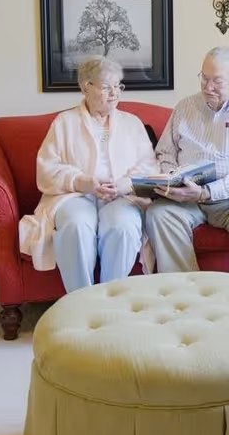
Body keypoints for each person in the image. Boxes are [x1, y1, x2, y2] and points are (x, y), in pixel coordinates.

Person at [19, 55, 157, 292]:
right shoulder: (64, 122)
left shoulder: (132, 123)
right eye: (106, 87)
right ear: (85, 88)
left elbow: (149, 165)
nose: (114, 93)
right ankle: (81, 300)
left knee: (123, 225)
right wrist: (84, 182)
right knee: (76, 225)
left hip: (122, 195)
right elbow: (47, 169)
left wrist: (123, 184)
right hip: (74, 196)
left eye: (118, 86)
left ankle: (111, 298)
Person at [145, 47, 229, 278]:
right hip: (186, 197)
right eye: (204, 78)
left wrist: (207, 192)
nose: (208, 87)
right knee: (159, 214)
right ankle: (188, 291)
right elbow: (166, 153)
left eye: (217, 81)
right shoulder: (185, 107)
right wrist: (173, 181)